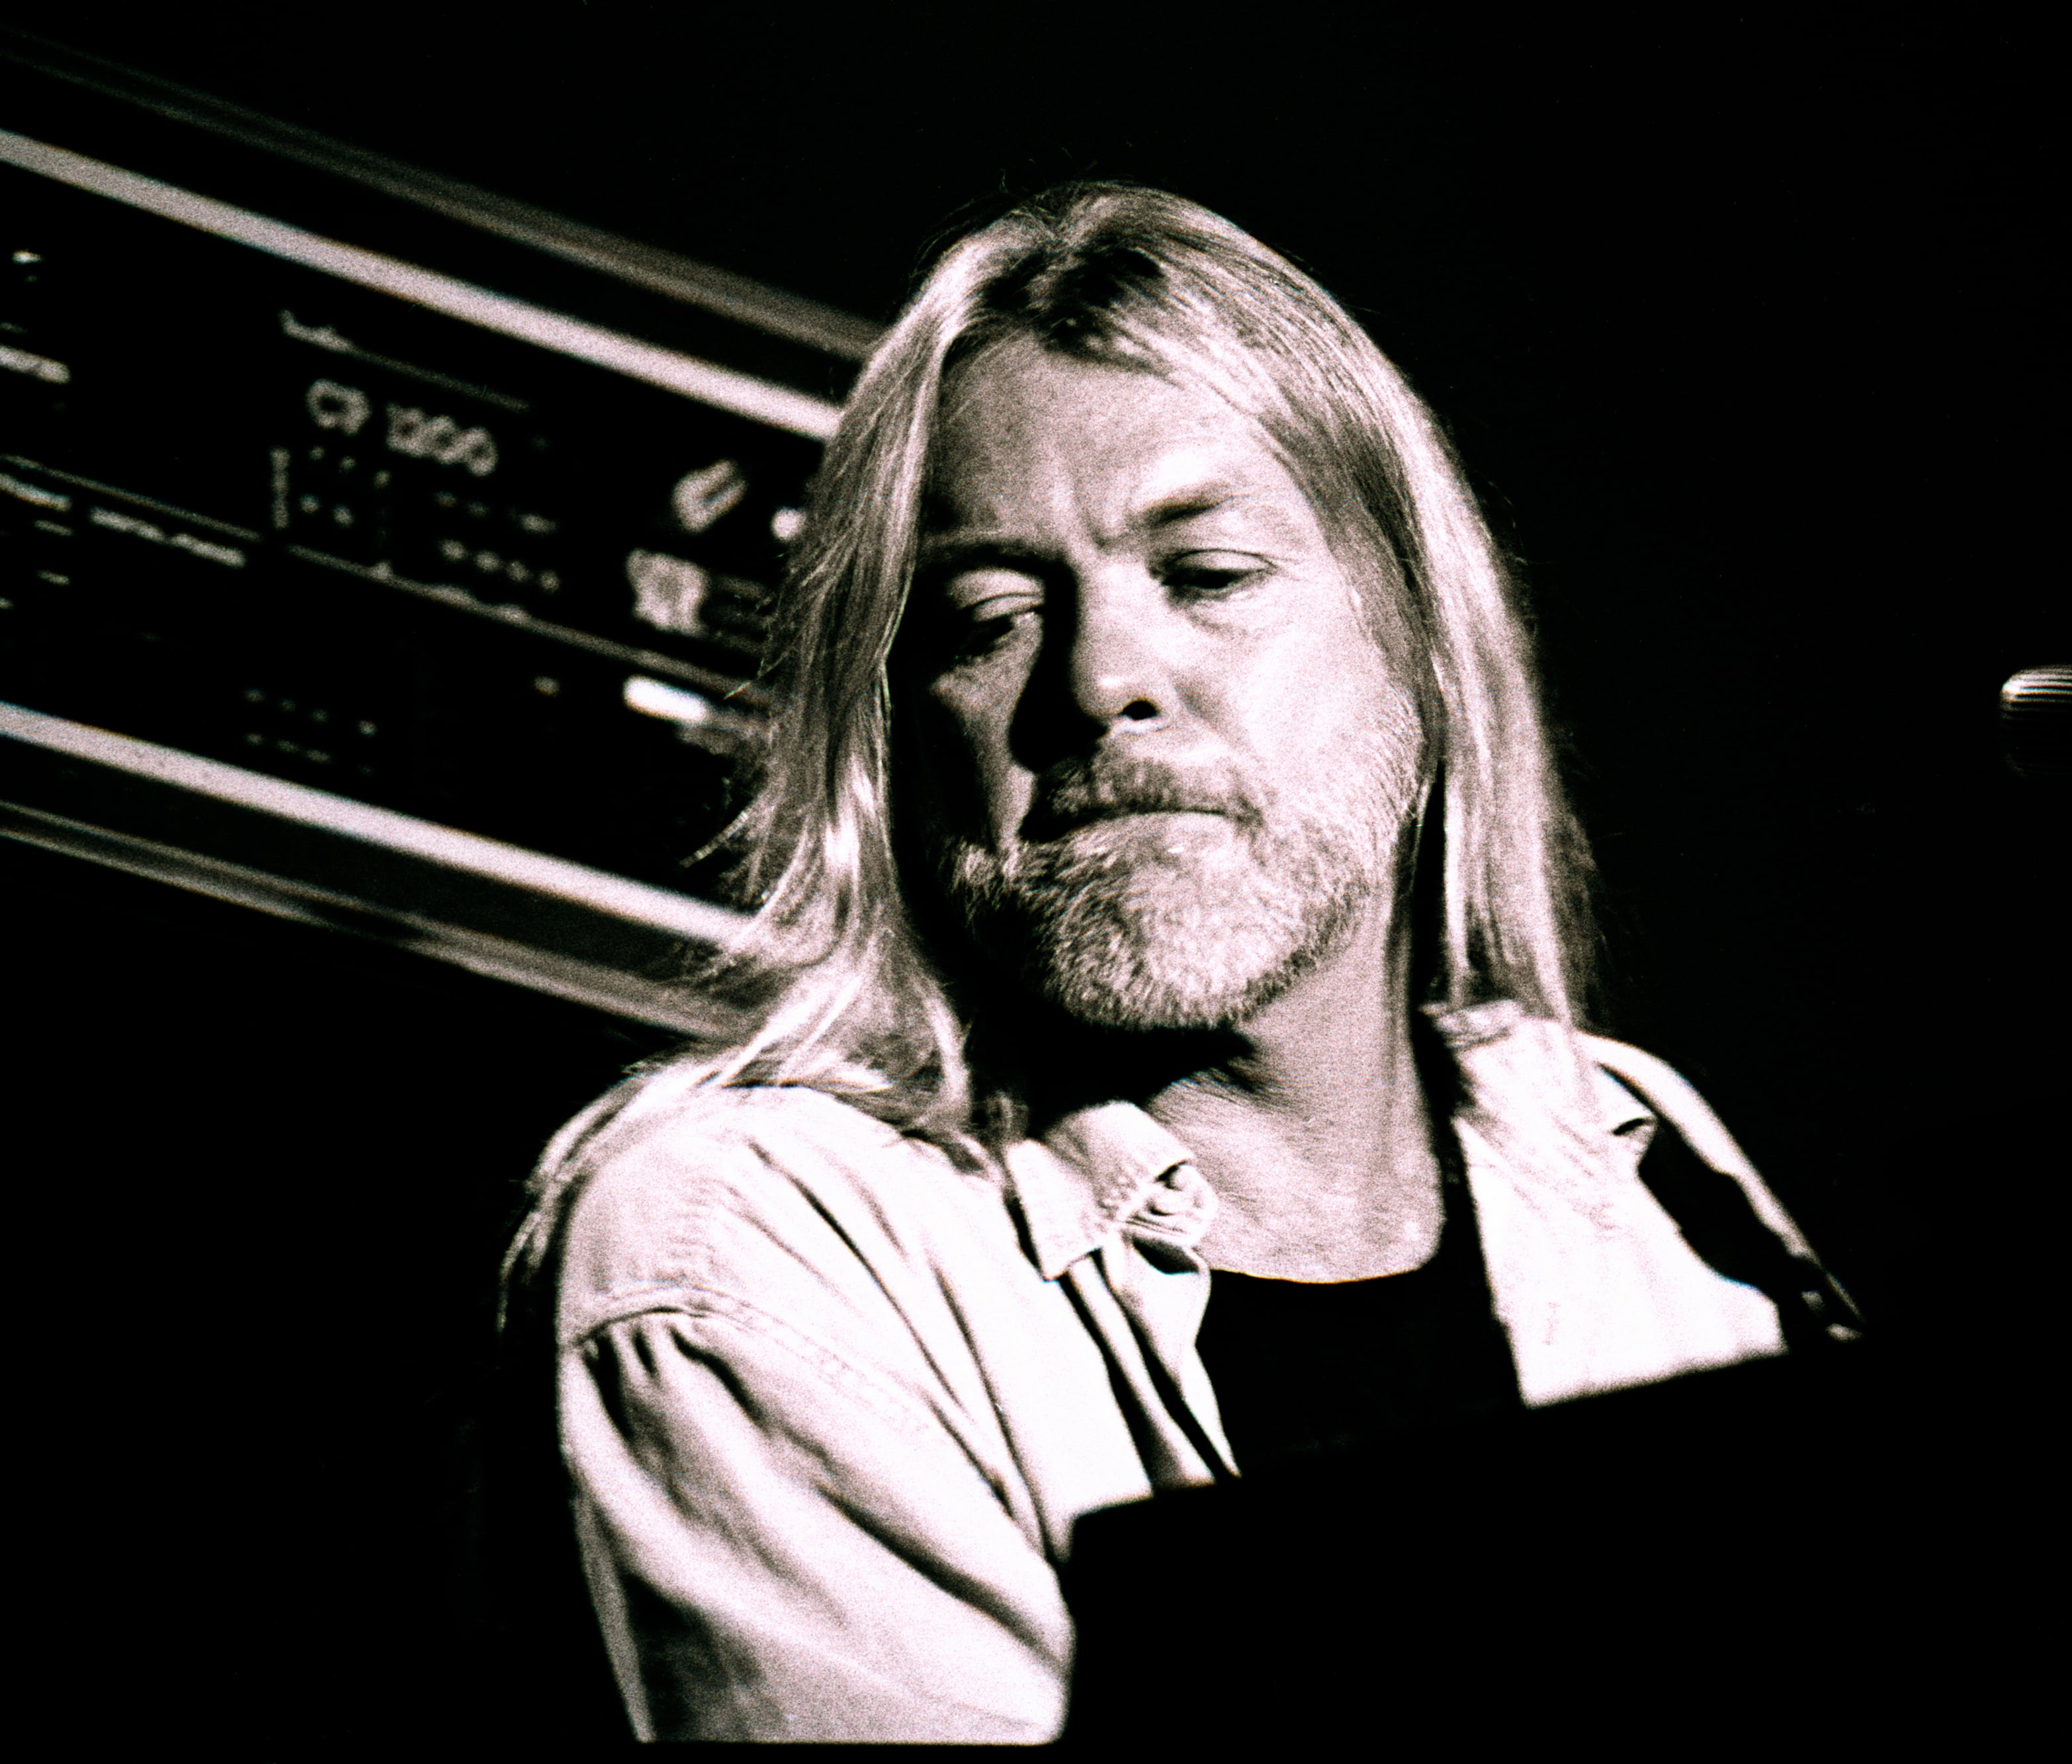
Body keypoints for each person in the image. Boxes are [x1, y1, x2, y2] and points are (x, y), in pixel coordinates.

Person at [496, 181, 1854, 1744]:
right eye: (988, 615)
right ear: (892, 725)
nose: (1099, 680)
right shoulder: (748, 1242)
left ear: (1419, 642)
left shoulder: (1633, 1167)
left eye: (1206, 576)